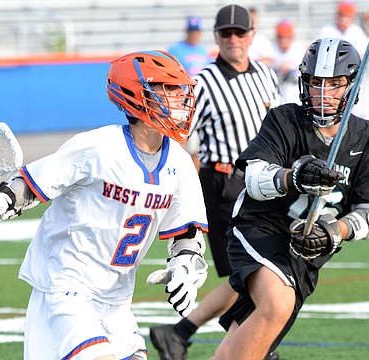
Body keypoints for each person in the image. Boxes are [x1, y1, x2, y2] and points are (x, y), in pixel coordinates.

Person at [0, 50, 210, 360]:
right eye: (165, 88)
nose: (178, 97)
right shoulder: (98, 146)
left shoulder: (180, 164)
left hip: (117, 299)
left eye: (178, 88)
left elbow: (187, 231)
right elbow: (35, 184)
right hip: (66, 287)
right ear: (135, 93)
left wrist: (184, 266)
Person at [212, 38, 369, 360]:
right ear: (303, 81)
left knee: (241, 343)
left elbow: (366, 209)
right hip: (260, 229)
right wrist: (294, 176)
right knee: (276, 306)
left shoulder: (365, 137)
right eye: (315, 83)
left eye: (335, 84)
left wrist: (334, 232)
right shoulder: (285, 119)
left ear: (352, 86)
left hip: (307, 254)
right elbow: (253, 179)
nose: (323, 93)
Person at [149, 4, 282, 360]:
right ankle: (244, 345)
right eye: (226, 33)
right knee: (249, 274)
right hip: (225, 184)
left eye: (241, 32)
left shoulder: (266, 75)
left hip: (266, 187)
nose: (234, 39)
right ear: (216, 37)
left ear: (253, 35)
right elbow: (179, 134)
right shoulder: (204, 82)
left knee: (262, 272)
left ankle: (185, 334)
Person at [271, 19, 306, 104]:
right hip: (278, 93)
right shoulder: (271, 48)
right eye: (281, 37)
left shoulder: (299, 48)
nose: (284, 41)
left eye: (286, 37)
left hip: (295, 93)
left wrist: (289, 68)